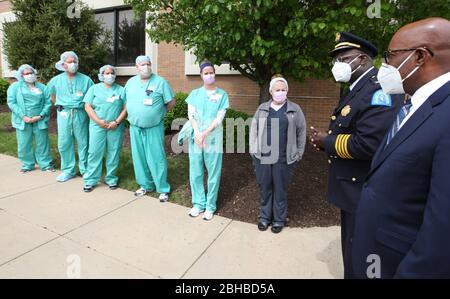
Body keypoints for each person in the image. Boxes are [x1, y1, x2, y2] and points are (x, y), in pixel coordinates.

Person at [352, 17, 450, 278]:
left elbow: (442, 232)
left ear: (420, 56)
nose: (384, 65)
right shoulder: (414, 103)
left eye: (390, 55)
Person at [310, 32, 402, 278]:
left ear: (362, 59)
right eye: (337, 60)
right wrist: (325, 142)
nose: (337, 65)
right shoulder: (357, 88)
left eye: (343, 58)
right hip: (351, 188)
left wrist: (327, 141)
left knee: (359, 254)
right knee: (351, 247)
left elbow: (369, 144)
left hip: (362, 189)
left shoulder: (379, 90)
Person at [250, 75, 306, 233]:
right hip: (263, 157)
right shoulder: (262, 108)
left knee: (280, 189)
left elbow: (302, 131)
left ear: (287, 91)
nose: (280, 92)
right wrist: (253, 149)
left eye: (283, 89)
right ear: (271, 91)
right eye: (277, 90)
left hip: (283, 158)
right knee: (265, 187)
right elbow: (254, 129)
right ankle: (264, 217)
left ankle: (279, 219)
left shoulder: (295, 109)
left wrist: (299, 152)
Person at [122, 55, 176, 201]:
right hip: (135, 128)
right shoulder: (131, 83)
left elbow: (171, 102)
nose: (145, 67)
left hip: (154, 127)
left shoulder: (160, 82)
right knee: (139, 157)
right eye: (142, 64)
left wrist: (160, 112)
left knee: (156, 157)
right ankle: (145, 185)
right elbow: (126, 102)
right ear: (136, 67)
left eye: (148, 64)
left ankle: (162, 188)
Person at [186, 61, 230, 221]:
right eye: (206, 73)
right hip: (196, 138)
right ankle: (198, 204)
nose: (209, 75)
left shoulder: (222, 95)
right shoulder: (195, 94)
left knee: (213, 173)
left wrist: (205, 133)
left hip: (212, 138)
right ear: (201, 75)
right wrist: (197, 133)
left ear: (215, 74)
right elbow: (191, 115)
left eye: (211, 72)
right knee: (195, 172)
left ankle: (210, 206)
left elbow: (219, 118)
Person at [47, 51, 94, 182]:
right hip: (64, 113)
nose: (73, 64)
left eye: (75, 61)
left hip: (80, 113)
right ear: (63, 64)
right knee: (64, 142)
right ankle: (68, 170)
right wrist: (63, 104)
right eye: (70, 62)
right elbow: (52, 96)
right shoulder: (56, 80)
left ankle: (85, 169)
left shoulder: (86, 80)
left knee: (83, 142)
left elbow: (91, 98)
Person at [82, 65, 126, 192]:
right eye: (107, 73)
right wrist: (98, 121)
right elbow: (87, 106)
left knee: (113, 152)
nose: (110, 75)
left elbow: (126, 108)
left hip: (115, 126)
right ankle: (91, 180)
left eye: (112, 73)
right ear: (101, 75)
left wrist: (116, 122)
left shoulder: (120, 90)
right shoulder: (94, 89)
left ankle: (111, 178)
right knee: (94, 152)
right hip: (97, 126)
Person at [7, 64, 54, 173]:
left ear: (35, 73)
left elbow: (48, 102)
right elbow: (11, 102)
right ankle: (27, 164)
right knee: (24, 143)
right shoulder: (15, 87)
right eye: (26, 73)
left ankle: (45, 164)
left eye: (31, 73)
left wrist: (41, 115)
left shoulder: (42, 87)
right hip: (23, 120)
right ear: (21, 75)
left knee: (42, 142)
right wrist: (23, 116)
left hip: (40, 119)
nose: (29, 75)